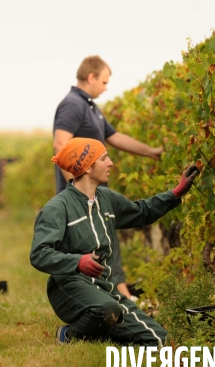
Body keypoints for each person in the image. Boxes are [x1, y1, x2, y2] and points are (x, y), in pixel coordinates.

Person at [30, 138, 199, 346]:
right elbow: (39, 254)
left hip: (105, 287)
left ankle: (105, 331)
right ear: (88, 167)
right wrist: (77, 262)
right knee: (108, 310)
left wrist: (175, 193)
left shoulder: (106, 198)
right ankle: (69, 334)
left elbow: (141, 212)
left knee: (159, 339)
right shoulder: (58, 208)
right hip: (69, 288)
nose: (110, 163)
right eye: (104, 158)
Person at [53, 55, 164, 298]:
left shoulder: (91, 107)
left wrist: (152, 152)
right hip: (82, 196)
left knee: (106, 242)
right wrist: (76, 188)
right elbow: (61, 143)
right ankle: (108, 300)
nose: (106, 87)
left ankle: (121, 297)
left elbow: (115, 138)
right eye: (104, 82)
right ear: (91, 77)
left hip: (94, 194)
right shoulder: (74, 104)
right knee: (90, 248)